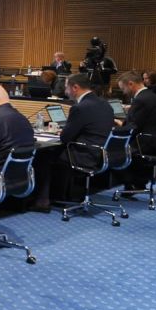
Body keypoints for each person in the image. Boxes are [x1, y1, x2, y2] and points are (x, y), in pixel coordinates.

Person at [31, 74, 114, 210]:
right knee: (55, 152)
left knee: (43, 156)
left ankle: (42, 201)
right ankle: (61, 196)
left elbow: (65, 138)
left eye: (66, 87)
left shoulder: (80, 108)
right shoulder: (105, 104)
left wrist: (62, 132)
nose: (65, 91)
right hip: (100, 154)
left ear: (75, 87)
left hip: (83, 155)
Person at [115, 71, 156, 189]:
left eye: (123, 88)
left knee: (112, 149)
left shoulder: (140, 100)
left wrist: (115, 128)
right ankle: (138, 183)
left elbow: (132, 127)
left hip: (144, 145)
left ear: (130, 84)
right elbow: (142, 122)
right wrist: (123, 124)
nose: (124, 92)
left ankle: (132, 184)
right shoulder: (154, 97)